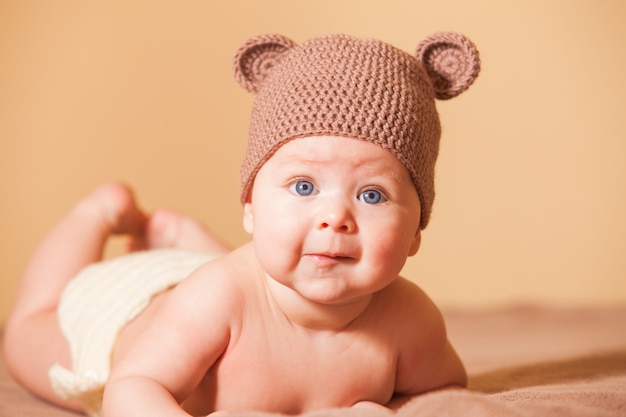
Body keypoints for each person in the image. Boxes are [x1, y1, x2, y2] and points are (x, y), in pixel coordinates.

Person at [3, 31, 480, 417]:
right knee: (26, 334)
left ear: (417, 230)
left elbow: (442, 396)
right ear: (250, 205)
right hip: (123, 310)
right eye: (304, 187)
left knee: (248, 262)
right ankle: (101, 210)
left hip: (213, 269)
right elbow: (133, 386)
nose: (335, 218)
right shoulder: (218, 297)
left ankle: (181, 235)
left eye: (372, 195)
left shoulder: (412, 322)